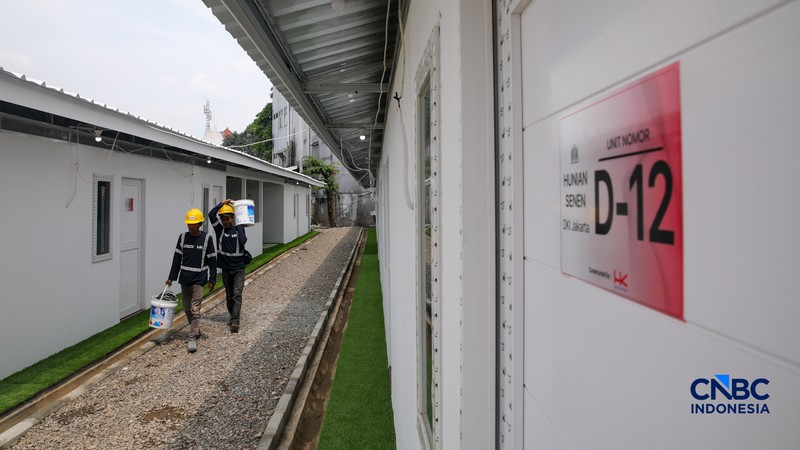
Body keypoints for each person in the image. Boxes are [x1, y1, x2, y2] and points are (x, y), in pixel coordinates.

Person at [166, 208, 216, 353]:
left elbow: (212, 260)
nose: (191, 226)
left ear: (200, 224)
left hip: (199, 278)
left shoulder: (207, 239)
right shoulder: (182, 238)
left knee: (195, 309)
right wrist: (171, 277)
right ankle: (196, 329)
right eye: (189, 224)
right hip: (185, 278)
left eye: (194, 224)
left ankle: (192, 337)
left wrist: (212, 278)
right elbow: (176, 259)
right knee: (187, 308)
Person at [208, 199, 248, 333]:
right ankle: (232, 315)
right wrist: (222, 203)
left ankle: (235, 321)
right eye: (223, 219)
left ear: (233, 218)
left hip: (238, 269)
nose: (225, 221)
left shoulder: (238, 229)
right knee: (229, 295)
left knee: (237, 294)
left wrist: (240, 224)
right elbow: (211, 215)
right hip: (226, 268)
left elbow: (243, 241)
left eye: (227, 219)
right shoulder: (219, 230)